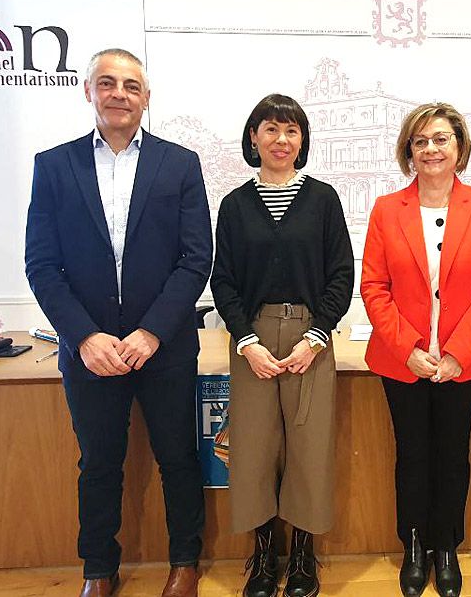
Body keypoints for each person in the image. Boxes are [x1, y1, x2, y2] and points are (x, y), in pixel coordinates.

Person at [25, 48, 212, 597]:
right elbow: (42, 263)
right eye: (107, 83)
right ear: (89, 92)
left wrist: (152, 331)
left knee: (178, 457)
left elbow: (195, 257)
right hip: (91, 351)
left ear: (146, 98)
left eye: (132, 86)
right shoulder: (54, 165)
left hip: (165, 346)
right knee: (99, 463)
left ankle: (185, 562)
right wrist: (83, 336)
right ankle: (99, 571)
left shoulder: (180, 164)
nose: (119, 94)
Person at [361, 102, 471, 597]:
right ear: (409, 151)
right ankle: (415, 546)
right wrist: (408, 349)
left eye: (441, 139)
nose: (431, 149)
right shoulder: (387, 209)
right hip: (403, 363)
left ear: (459, 147)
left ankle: (446, 546)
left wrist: (456, 354)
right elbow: (374, 287)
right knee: (411, 455)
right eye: (421, 141)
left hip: (461, 364)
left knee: (452, 456)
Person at [210, 94, 354, 597]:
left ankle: (304, 558)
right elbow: (222, 280)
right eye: (270, 129)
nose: (281, 140)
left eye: (291, 131)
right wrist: (245, 340)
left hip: (309, 338)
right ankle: (264, 554)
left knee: (309, 449)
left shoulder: (323, 199)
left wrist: (316, 337)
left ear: (303, 141)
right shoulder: (234, 205)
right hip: (251, 339)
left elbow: (341, 276)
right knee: (253, 449)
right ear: (254, 137)